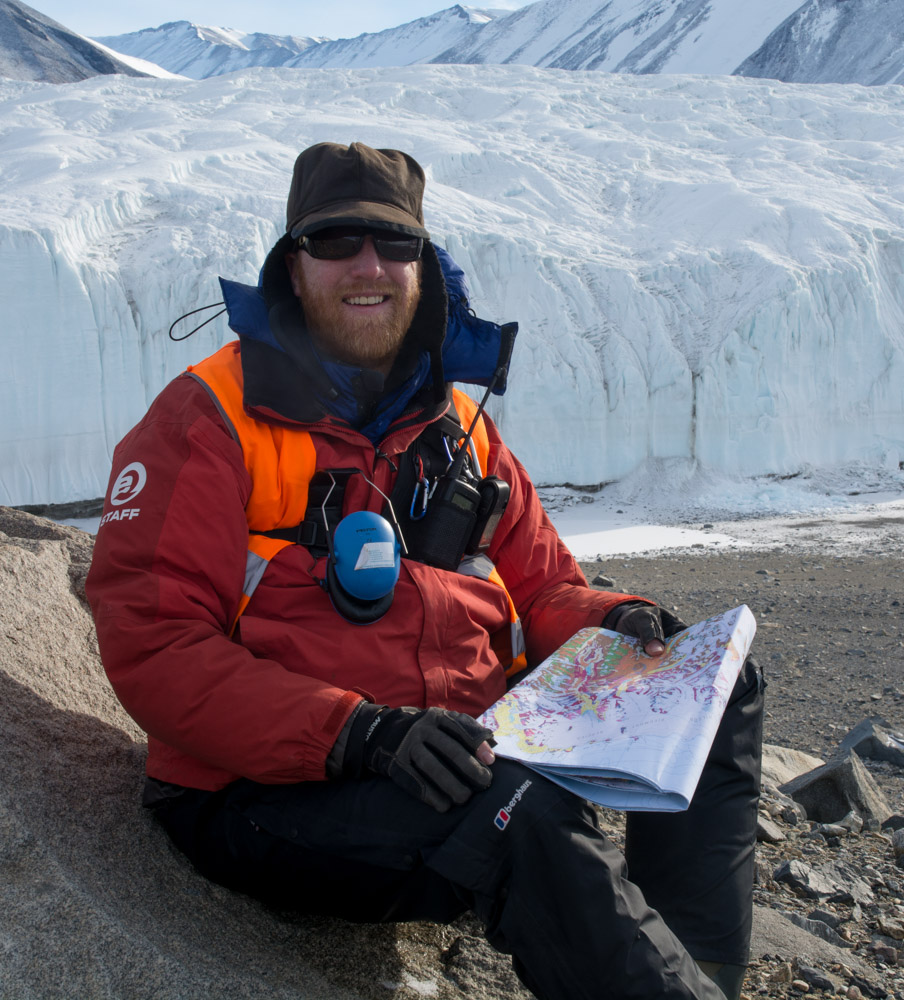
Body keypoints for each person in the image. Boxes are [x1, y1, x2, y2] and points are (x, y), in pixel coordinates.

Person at [86, 141, 764, 1000]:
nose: (368, 266)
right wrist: (359, 733)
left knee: (713, 684)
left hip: (454, 759)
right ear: (293, 267)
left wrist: (620, 620)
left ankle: (698, 978)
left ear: (422, 264)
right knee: (519, 810)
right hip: (267, 795)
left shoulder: (459, 427)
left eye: (393, 243)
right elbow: (156, 646)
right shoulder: (211, 417)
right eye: (335, 241)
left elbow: (546, 588)